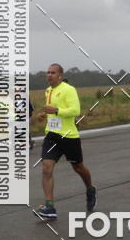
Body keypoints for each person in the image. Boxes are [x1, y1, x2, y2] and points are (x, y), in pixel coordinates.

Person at [36, 64, 96, 219]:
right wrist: (44, 114)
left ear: (60, 75)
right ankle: (49, 207)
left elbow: (75, 111)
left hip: (69, 136)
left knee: (78, 168)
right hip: (52, 136)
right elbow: (52, 110)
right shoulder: (48, 90)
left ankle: (90, 188)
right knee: (47, 168)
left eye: (52, 73)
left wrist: (56, 111)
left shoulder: (69, 90)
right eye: (47, 72)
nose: (49, 75)